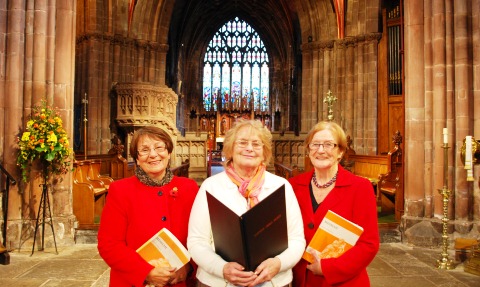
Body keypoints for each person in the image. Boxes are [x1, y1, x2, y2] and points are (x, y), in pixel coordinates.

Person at [187, 119, 306, 287]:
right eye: (242, 143)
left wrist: (278, 263)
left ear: (264, 152)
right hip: (219, 282)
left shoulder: (281, 186)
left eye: (256, 144)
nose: (249, 148)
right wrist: (221, 268)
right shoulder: (211, 186)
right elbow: (196, 241)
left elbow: (297, 239)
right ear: (230, 149)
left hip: (273, 281)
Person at [98, 126, 199, 287]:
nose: (153, 154)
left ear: (168, 152)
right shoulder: (120, 190)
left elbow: (202, 236)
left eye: (159, 147)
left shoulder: (189, 188)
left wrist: (189, 268)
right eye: (144, 150)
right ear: (137, 158)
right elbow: (109, 244)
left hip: (182, 282)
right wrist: (145, 272)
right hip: (134, 282)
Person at [288, 121, 379, 287]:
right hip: (302, 280)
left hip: (343, 281)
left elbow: (369, 245)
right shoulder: (293, 185)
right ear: (309, 150)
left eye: (329, 145)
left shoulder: (360, 188)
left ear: (341, 152)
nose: (321, 150)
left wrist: (328, 268)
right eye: (315, 144)